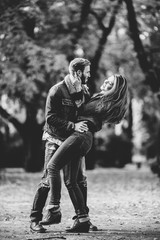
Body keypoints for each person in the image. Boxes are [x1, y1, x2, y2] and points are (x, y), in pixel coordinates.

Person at [41, 74, 128, 232]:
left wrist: (78, 94)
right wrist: (83, 93)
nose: (106, 81)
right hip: (81, 138)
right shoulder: (101, 98)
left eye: (110, 83)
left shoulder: (104, 102)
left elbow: (81, 110)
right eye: (107, 79)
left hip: (79, 137)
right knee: (71, 181)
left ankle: (54, 209)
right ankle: (83, 219)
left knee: (52, 166)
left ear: (115, 89)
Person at [30, 58, 97, 233]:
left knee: (78, 179)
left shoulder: (83, 92)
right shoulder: (57, 90)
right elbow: (50, 118)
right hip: (54, 138)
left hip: (72, 141)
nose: (89, 75)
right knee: (47, 179)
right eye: (87, 72)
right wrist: (72, 126)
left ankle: (82, 219)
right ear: (78, 72)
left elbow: (86, 114)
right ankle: (35, 219)